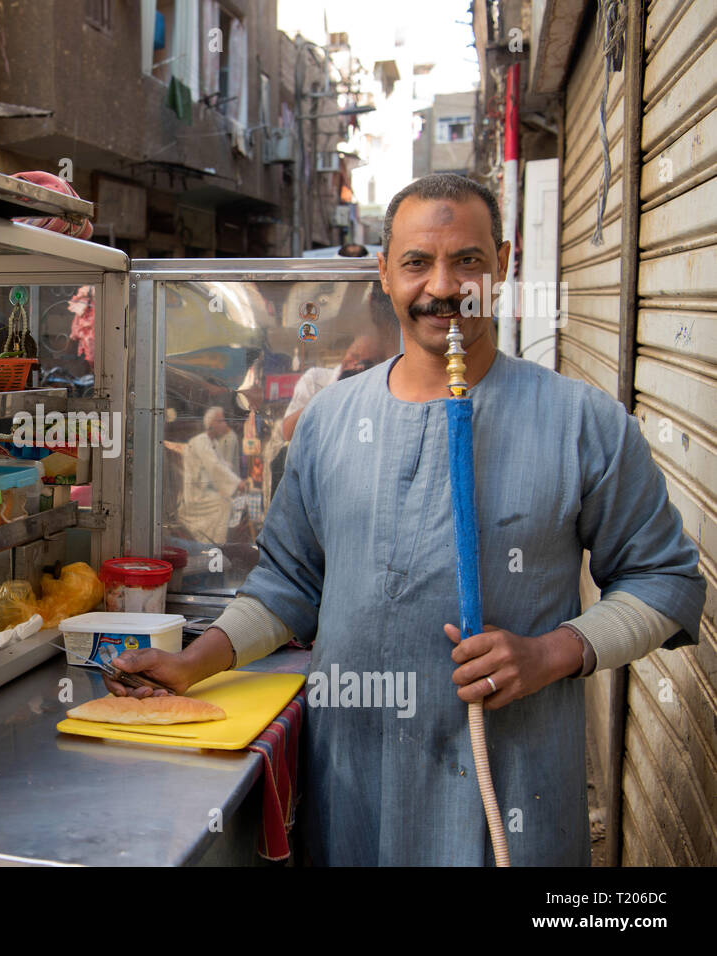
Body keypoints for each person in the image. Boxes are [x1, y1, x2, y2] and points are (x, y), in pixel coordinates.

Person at [107, 173, 706, 866]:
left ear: (504, 266)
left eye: (469, 261)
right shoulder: (331, 420)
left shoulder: (581, 421)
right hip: (355, 795)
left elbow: (665, 580)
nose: (443, 287)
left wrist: (551, 653)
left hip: (508, 798)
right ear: (385, 272)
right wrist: (190, 664)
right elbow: (287, 586)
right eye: (418, 262)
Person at [177, 406, 248, 545]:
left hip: (205, 491)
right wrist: (237, 483)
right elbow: (215, 467)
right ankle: (214, 544)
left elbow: (221, 466)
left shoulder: (212, 442)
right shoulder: (201, 441)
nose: (225, 425)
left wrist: (236, 479)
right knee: (223, 504)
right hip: (195, 495)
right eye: (221, 421)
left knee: (228, 501)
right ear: (212, 424)